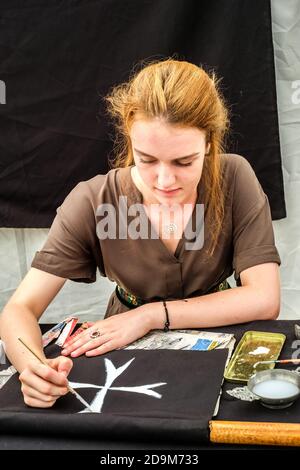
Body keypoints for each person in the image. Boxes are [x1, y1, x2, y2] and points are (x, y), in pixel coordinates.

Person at [0, 59, 281, 408]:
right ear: (129, 138)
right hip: (124, 352)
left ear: (210, 143)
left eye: (183, 162)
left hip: (217, 332)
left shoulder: (234, 177)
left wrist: (149, 316)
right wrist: (34, 368)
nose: (165, 182)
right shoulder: (94, 200)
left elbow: (264, 298)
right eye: (146, 160)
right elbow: (20, 308)